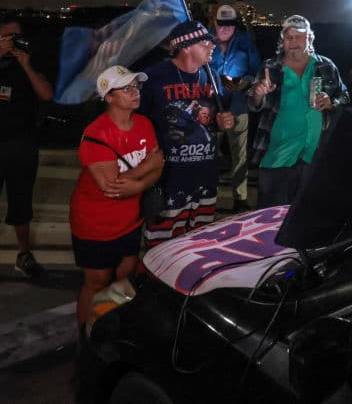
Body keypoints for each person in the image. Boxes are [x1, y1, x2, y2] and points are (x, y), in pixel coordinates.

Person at [71, 66, 164, 329]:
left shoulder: (144, 124)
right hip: (95, 223)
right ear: (109, 97)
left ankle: (114, 326)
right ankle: (86, 335)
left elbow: (159, 167)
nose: (135, 92)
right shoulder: (97, 134)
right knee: (97, 281)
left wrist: (139, 181)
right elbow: (112, 188)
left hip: (130, 219)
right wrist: (147, 169)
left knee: (125, 274)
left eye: (136, 86)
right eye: (126, 88)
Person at [138, 20, 234, 248]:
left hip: (205, 177)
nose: (212, 46)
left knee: (198, 245)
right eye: (205, 42)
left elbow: (215, 118)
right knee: (162, 246)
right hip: (168, 179)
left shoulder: (212, 76)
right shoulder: (154, 77)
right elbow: (139, 123)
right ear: (187, 46)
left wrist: (222, 122)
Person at [249, 15, 348, 208]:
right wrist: (258, 94)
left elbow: (344, 95)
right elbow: (253, 104)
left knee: (308, 214)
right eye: (288, 37)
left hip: (314, 156)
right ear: (282, 40)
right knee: (271, 216)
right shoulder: (271, 67)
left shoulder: (326, 65)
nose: (293, 42)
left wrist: (332, 101)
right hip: (276, 157)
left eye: (298, 36)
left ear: (310, 37)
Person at [0, 17, 53, 277]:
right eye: (6, 36)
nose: (12, 41)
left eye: (15, 36)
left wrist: (26, 66)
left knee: (21, 202)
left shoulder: (29, 60)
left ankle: (24, 254)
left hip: (21, 143)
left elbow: (46, 94)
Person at [208, 4, 261, 212]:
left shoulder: (245, 41)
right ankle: (208, 196)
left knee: (239, 155)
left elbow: (256, 71)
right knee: (208, 153)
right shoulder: (205, 42)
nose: (226, 28)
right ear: (214, 22)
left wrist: (244, 82)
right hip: (210, 107)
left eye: (230, 24)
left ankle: (240, 198)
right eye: (222, 23)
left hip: (238, 105)